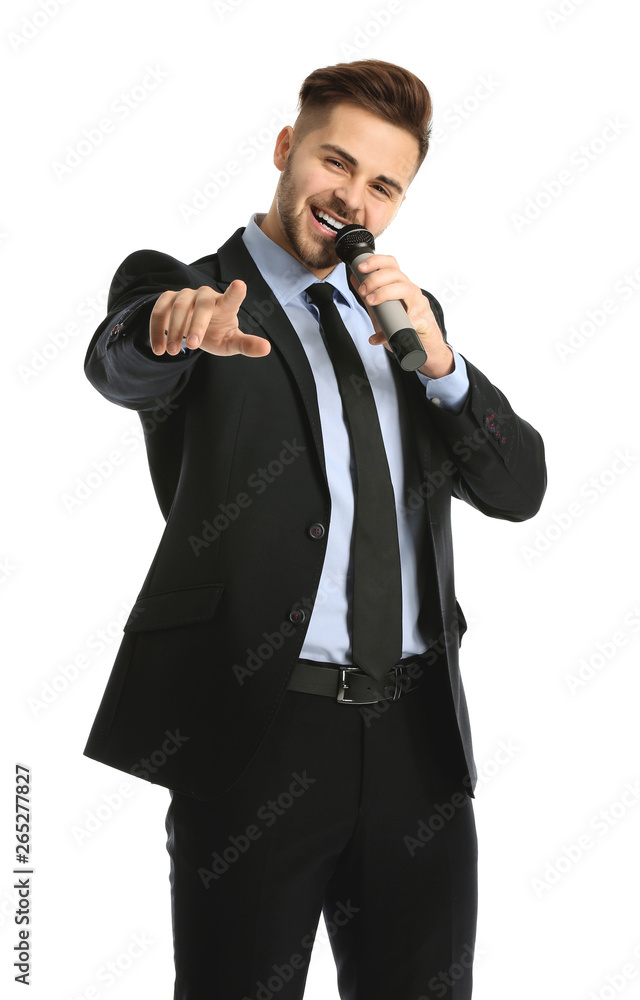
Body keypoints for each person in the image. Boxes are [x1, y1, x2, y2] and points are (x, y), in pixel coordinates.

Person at [83, 59, 546, 1000]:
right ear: (288, 149)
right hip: (260, 732)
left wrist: (443, 364)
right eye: (336, 163)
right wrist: (172, 331)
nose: (353, 197)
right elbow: (122, 362)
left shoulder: (407, 323)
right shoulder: (190, 290)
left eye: (384, 185)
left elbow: (519, 487)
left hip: (418, 741)